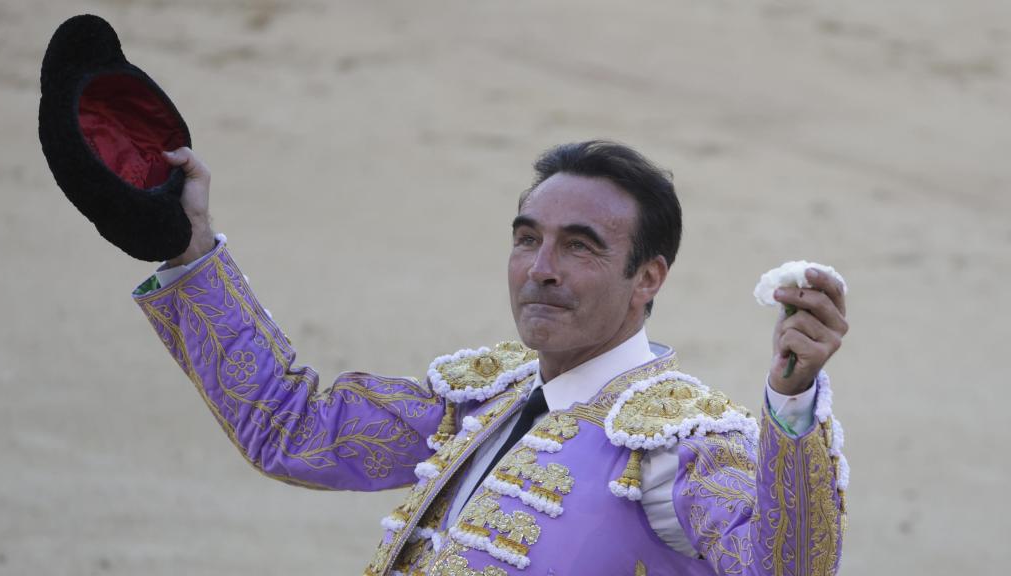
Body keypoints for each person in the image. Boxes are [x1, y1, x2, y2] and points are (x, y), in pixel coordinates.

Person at [134, 141, 849, 575]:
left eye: (580, 246)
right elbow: (293, 431)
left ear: (649, 278)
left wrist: (790, 406)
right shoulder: (480, 401)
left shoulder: (678, 443)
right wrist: (189, 250)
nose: (540, 268)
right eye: (526, 238)